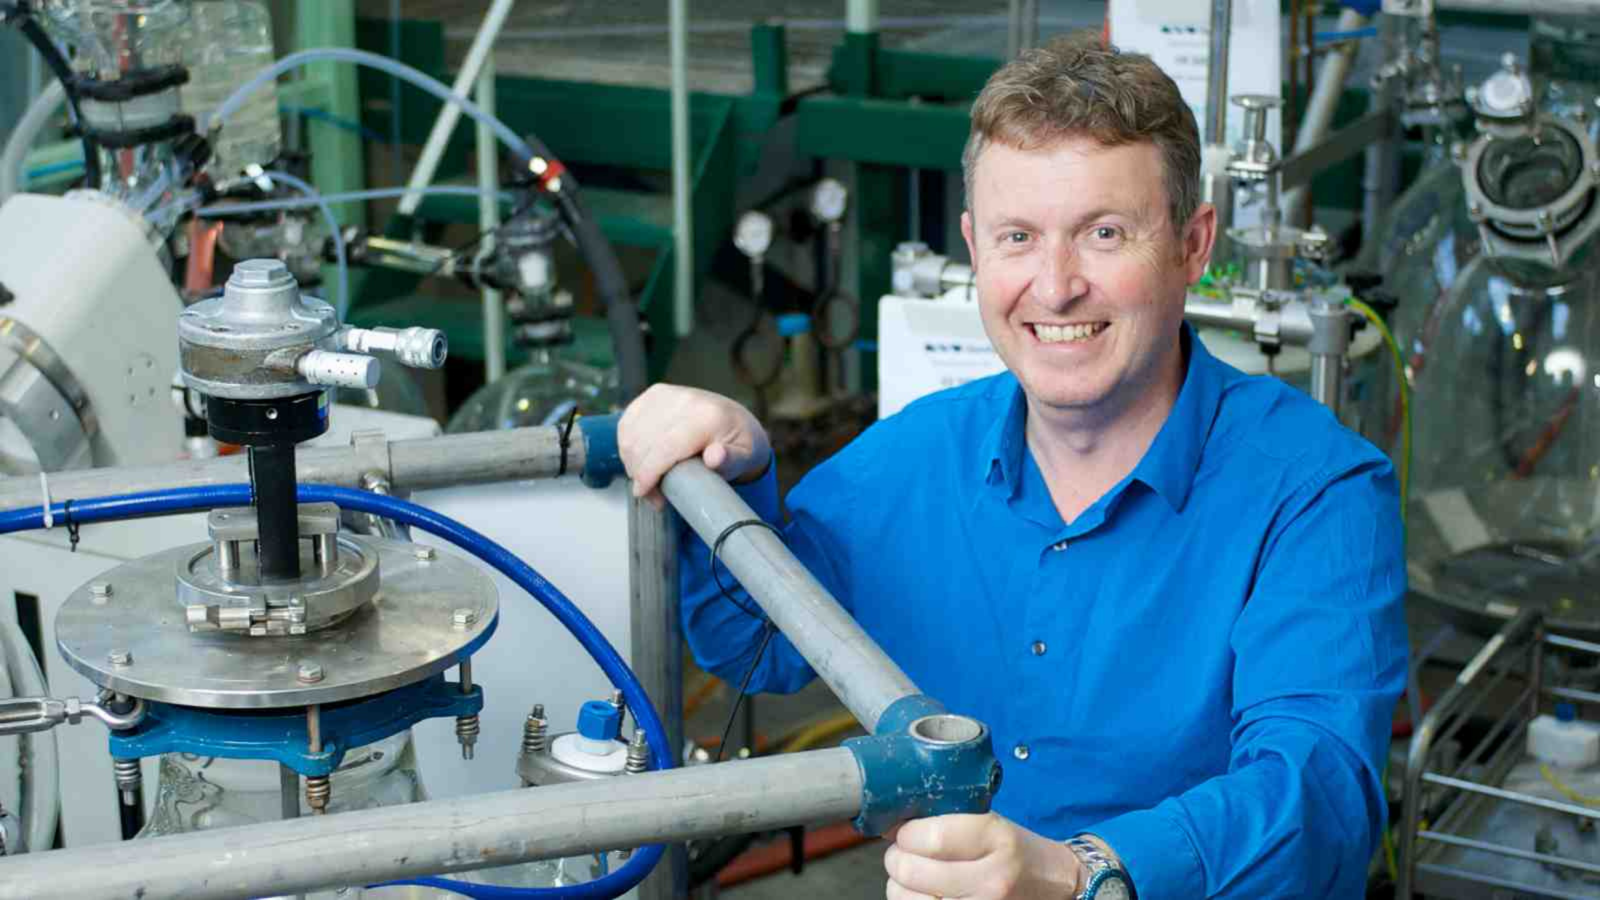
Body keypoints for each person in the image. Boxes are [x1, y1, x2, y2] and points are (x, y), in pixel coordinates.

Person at [619, 30, 1406, 900]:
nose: (1057, 285)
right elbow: (753, 645)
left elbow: (1321, 798)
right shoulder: (916, 457)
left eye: (1105, 233)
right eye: (1019, 236)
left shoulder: (1318, 491)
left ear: (1193, 244)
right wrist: (728, 470)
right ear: (973, 246)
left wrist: (1083, 874)